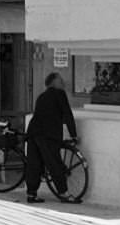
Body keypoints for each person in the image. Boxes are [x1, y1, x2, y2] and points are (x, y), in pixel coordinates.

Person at [25, 72, 80, 204]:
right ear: (54, 83)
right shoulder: (59, 94)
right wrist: (73, 134)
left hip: (33, 132)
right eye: (60, 80)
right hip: (48, 135)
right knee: (54, 163)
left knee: (34, 164)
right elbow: (67, 114)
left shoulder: (42, 96)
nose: (63, 82)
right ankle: (64, 193)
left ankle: (31, 194)